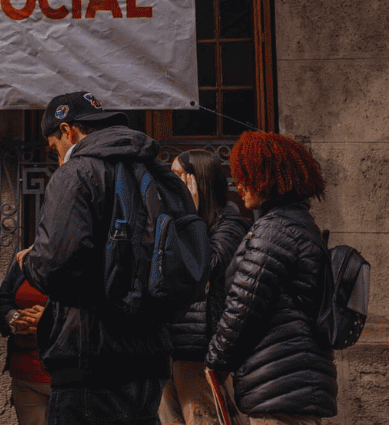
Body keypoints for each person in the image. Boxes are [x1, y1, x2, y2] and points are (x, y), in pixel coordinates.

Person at [18, 93, 171, 425]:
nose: (57, 157)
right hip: (150, 361)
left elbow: (54, 265)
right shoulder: (152, 171)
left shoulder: (77, 173)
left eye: (53, 147)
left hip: (91, 362)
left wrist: (27, 261)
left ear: (68, 131)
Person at [206, 132, 337, 423]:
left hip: (278, 385)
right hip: (292, 382)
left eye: (246, 175)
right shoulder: (298, 224)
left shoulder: (273, 231)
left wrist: (214, 359)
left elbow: (243, 306)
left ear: (268, 177)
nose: (239, 185)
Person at [160, 151, 251, 425]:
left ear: (199, 181)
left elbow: (204, 268)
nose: (171, 183)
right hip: (170, 349)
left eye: (178, 176)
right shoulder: (177, 224)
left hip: (202, 354)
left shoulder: (230, 225)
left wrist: (189, 216)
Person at [0, 255, 51, 425]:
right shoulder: (23, 259)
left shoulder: (81, 257)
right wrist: (14, 319)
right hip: (25, 376)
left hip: (67, 376)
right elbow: (2, 301)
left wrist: (49, 320)